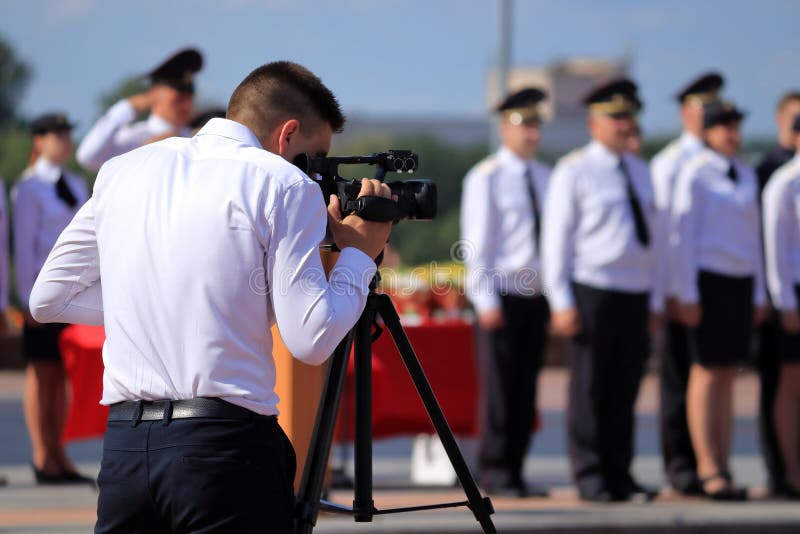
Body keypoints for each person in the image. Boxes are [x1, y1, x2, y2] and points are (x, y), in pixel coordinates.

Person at [29, 61, 394, 533]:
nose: (317, 176)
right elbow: (311, 339)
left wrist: (176, 300)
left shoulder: (123, 170)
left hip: (125, 448)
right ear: (287, 135)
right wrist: (359, 257)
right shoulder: (284, 183)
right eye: (315, 158)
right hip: (223, 450)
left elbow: (48, 298)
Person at [542, 79, 663, 503]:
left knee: (625, 388)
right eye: (615, 116)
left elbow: (657, 239)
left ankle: (620, 472)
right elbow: (557, 241)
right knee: (591, 388)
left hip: (635, 290)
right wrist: (561, 300)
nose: (624, 124)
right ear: (595, 123)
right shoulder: (574, 170)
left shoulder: (641, 169)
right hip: (593, 289)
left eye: (628, 116)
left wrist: (656, 296)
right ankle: (592, 475)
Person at [671, 101, 769, 500]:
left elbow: (753, 239)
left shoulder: (745, 173)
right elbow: (682, 237)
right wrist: (687, 291)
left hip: (740, 282)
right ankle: (707, 466)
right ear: (707, 132)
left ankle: (725, 462)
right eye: (723, 126)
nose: (732, 133)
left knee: (729, 373)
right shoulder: (695, 174)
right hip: (707, 281)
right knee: (707, 372)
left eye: (736, 125)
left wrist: (761, 292)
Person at [460, 87, 552, 498]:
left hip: (536, 295)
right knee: (500, 388)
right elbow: (477, 242)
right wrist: (485, 300)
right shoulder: (487, 177)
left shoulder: (546, 176)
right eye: (524, 124)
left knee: (526, 388)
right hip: (502, 292)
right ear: (505, 128)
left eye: (536, 124)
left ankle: (516, 467)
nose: (532, 133)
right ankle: (495, 469)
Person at [650, 72, 724, 496]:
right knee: (679, 380)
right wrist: (669, 292)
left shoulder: (727, 163)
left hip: (716, 288)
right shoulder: (670, 163)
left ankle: (710, 461)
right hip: (680, 289)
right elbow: (666, 237)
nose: (709, 116)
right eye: (702, 107)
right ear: (685, 113)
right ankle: (681, 464)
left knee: (716, 375)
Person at [11, 113, 91, 485]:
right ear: (39, 140)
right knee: (41, 373)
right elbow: (24, 246)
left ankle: (58, 453)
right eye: (56, 135)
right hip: (41, 295)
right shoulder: (29, 187)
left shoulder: (75, 183)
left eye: (66, 134)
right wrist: (28, 300)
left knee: (62, 376)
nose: (64, 141)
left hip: (72, 294)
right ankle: (42, 455)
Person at [755, 91, 800, 497]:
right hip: (792, 292)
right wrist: (784, 300)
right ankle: (786, 471)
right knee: (787, 381)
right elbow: (773, 247)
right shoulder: (780, 180)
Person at [76, 48, 203, 171]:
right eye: (178, 99)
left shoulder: (197, 138)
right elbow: (88, 156)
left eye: (189, 98)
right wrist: (128, 106)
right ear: (155, 93)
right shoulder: (134, 138)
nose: (186, 105)